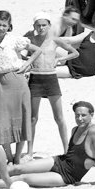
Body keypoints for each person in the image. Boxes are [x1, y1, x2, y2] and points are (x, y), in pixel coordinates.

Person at [8, 99, 95, 189]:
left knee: (23, 178)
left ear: (91, 115)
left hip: (67, 176)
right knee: (18, 168)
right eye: (77, 115)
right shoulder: (75, 130)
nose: (80, 119)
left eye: (83, 115)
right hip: (60, 161)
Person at [0, 9, 33, 163]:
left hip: (18, 82)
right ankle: (9, 157)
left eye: (4, 25)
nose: (1, 28)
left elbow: (37, 51)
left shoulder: (14, 40)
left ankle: (16, 158)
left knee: (21, 120)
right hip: (0, 85)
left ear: (9, 26)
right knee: (2, 121)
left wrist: (27, 64)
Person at [25, 16, 68, 154]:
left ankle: (67, 150)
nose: (41, 28)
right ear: (34, 26)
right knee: (32, 118)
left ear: (49, 26)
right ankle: (30, 151)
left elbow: (75, 53)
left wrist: (59, 59)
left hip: (51, 78)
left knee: (59, 117)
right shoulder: (30, 40)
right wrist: (27, 61)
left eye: (44, 25)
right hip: (35, 78)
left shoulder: (55, 40)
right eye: (38, 25)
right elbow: (19, 51)